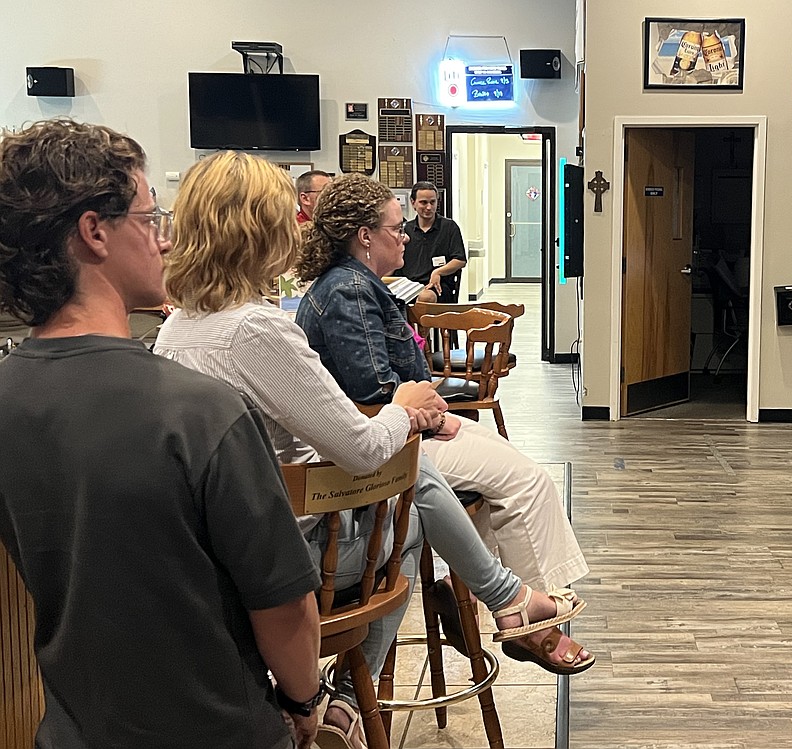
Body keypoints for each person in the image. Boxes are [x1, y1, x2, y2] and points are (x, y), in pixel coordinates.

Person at [155, 153, 594, 706]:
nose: (299, 225)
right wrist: (408, 407)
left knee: (414, 495)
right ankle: (360, 689)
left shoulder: (178, 329)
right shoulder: (256, 330)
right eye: (289, 214)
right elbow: (364, 444)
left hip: (218, 546)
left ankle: (483, 612)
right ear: (260, 229)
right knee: (408, 494)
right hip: (283, 558)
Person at [0, 119, 323, 748]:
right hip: (219, 729)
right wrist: (303, 699)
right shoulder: (199, 411)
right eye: (151, 222)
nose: (166, 243)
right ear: (95, 232)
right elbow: (287, 611)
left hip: (74, 728)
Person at [296, 173, 591, 596]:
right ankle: (534, 610)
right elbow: (375, 394)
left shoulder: (354, 284)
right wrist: (433, 422)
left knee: (510, 480)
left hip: (406, 429)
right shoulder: (351, 290)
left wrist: (433, 413)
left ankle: (485, 594)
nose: (405, 239)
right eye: (396, 229)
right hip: (389, 445)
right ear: (365, 236)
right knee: (528, 482)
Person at [395, 180, 467, 302]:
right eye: (423, 202)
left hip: (437, 286)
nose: (429, 207)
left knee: (425, 297)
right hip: (407, 285)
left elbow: (460, 260)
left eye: (432, 202)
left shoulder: (449, 227)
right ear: (413, 203)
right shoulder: (405, 230)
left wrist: (438, 272)